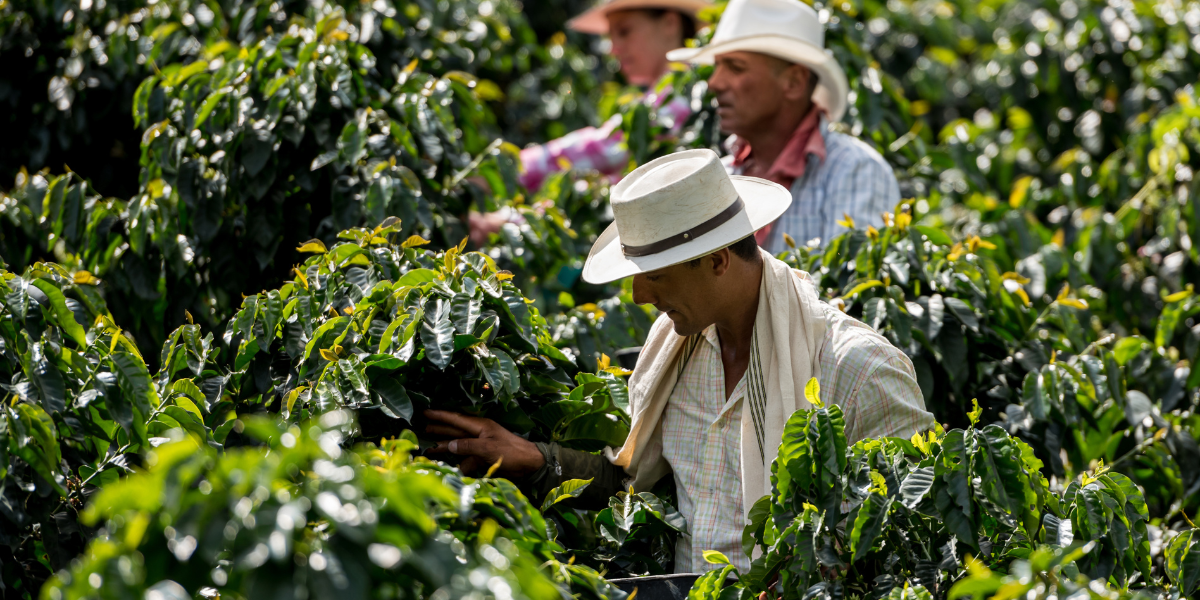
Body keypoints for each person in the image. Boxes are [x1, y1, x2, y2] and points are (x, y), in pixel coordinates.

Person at [427, 149, 935, 574]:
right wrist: (535, 458)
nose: (638, 294)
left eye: (656, 274)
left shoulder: (858, 370)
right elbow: (630, 478)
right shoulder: (678, 347)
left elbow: (911, 542)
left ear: (717, 261)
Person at [666, 0, 901, 252]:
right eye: (717, 66)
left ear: (794, 81)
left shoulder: (854, 172)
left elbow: (851, 285)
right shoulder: (720, 177)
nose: (714, 82)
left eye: (735, 67)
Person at [468, 0, 709, 244]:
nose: (613, 48)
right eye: (611, 36)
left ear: (669, 23)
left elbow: (609, 148)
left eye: (624, 31)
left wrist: (504, 172)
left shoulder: (685, 93)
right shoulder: (663, 95)